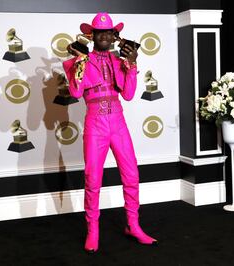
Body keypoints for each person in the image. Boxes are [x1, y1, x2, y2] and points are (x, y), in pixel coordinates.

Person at [63, 12, 158, 253]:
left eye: (108, 31)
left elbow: (127, 94)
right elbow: (75, 93)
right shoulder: (80, 59)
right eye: (99, 31)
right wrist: (81, 63)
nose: (104, 35)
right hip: (95, 123)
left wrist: (133, 63)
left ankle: (133, 225)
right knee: (93, 178)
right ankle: (92, 230)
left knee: (131, 173)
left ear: (115, 36)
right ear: (92, 35)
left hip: (118, 121)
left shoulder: (120, 60)